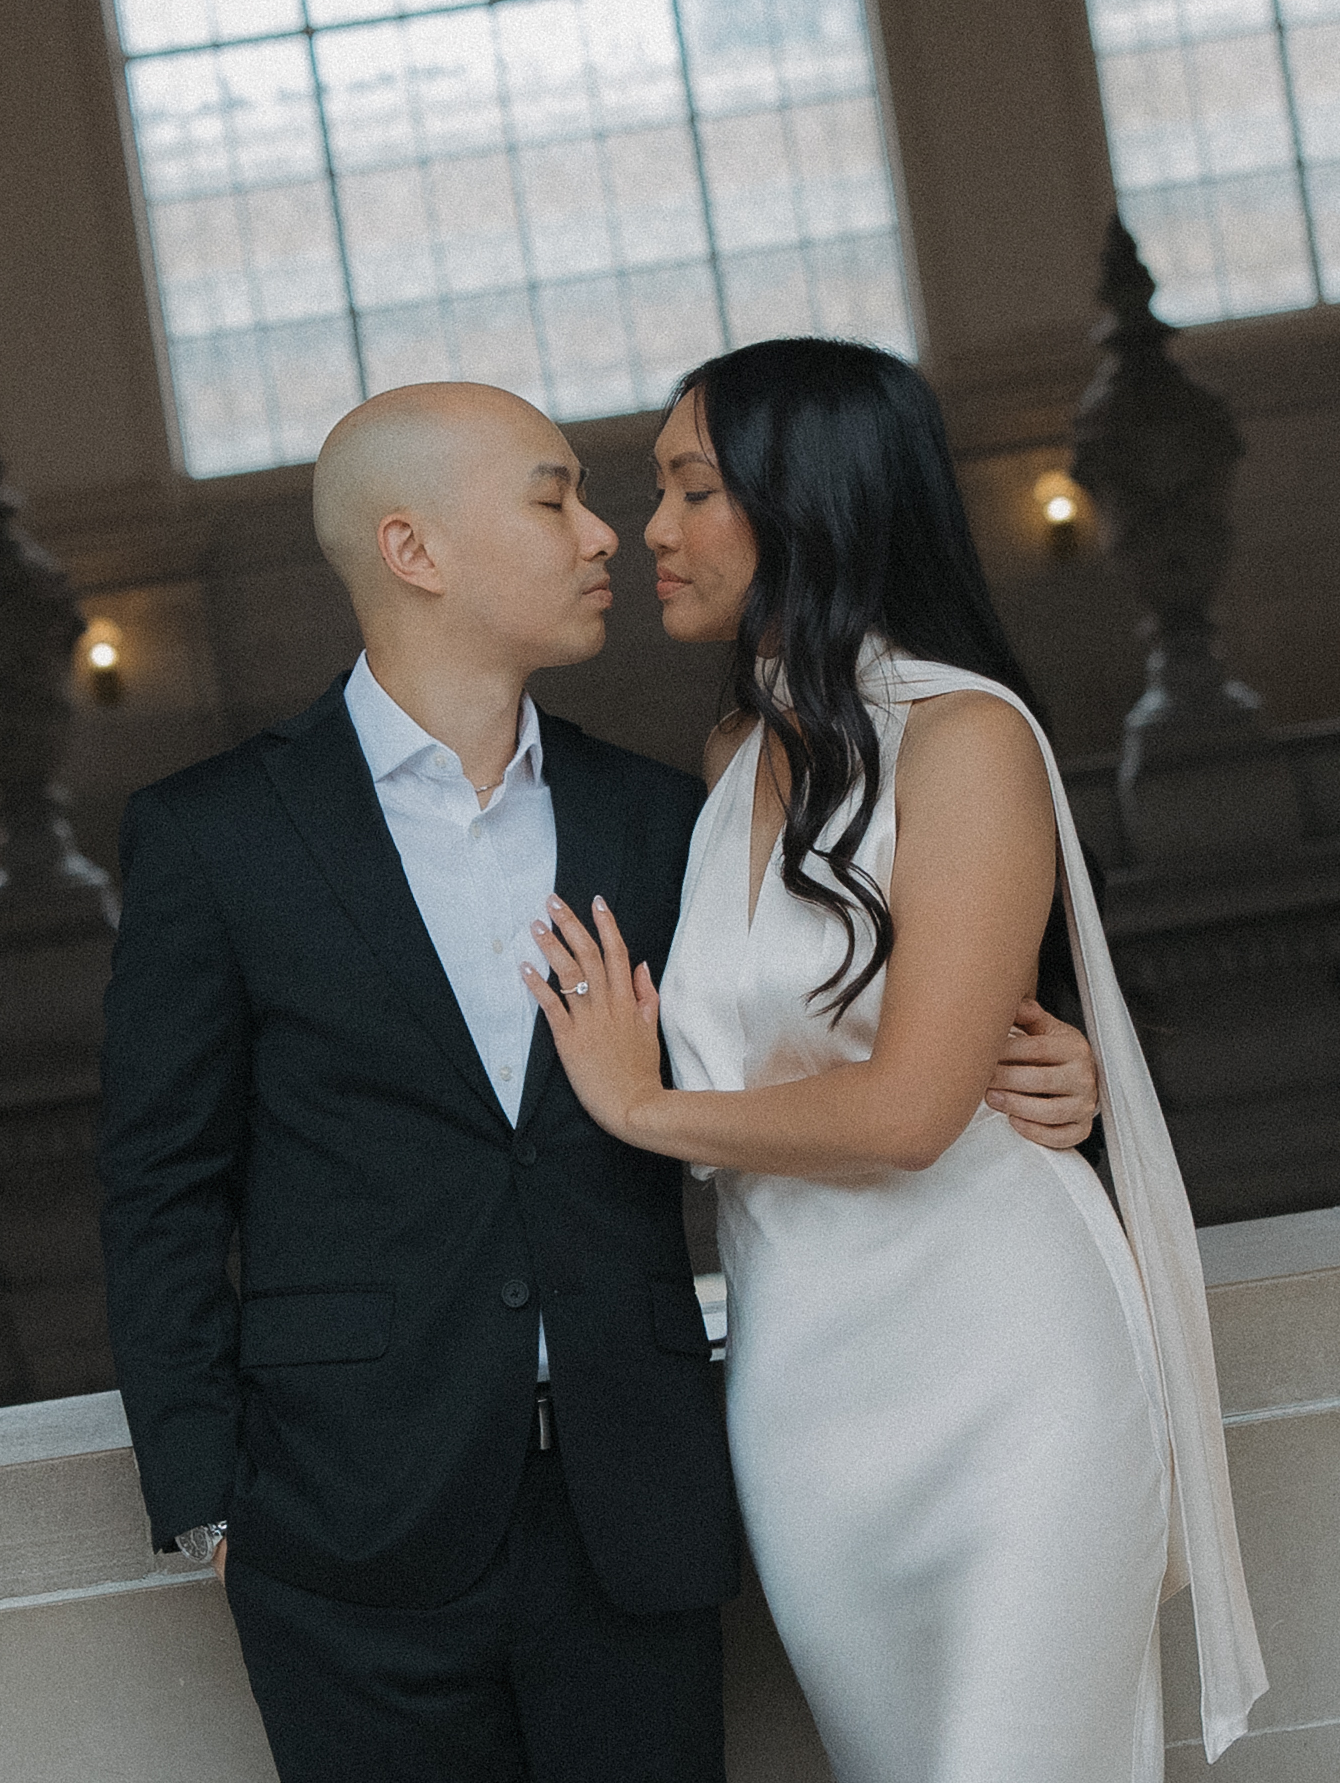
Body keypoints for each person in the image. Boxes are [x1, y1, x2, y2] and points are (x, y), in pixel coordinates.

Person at [98, 379, 1104, 1783]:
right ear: (415, 551)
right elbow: (158, 1187)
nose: (606, 537)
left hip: (639, 1515)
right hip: (348, 1528)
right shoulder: (214, 839)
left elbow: (800, 1036)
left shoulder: (659, 812)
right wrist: (206, 1503)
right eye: (554, 496)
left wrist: (1053, 1056)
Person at [523, 342, 1267, 1783]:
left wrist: (644, 1105)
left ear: (808, 504)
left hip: (1011, 1373)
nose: (652, 531)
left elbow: (920, 1107)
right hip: (806, 1398)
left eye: (690, 488)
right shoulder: (736, 749)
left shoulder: (967, 734)